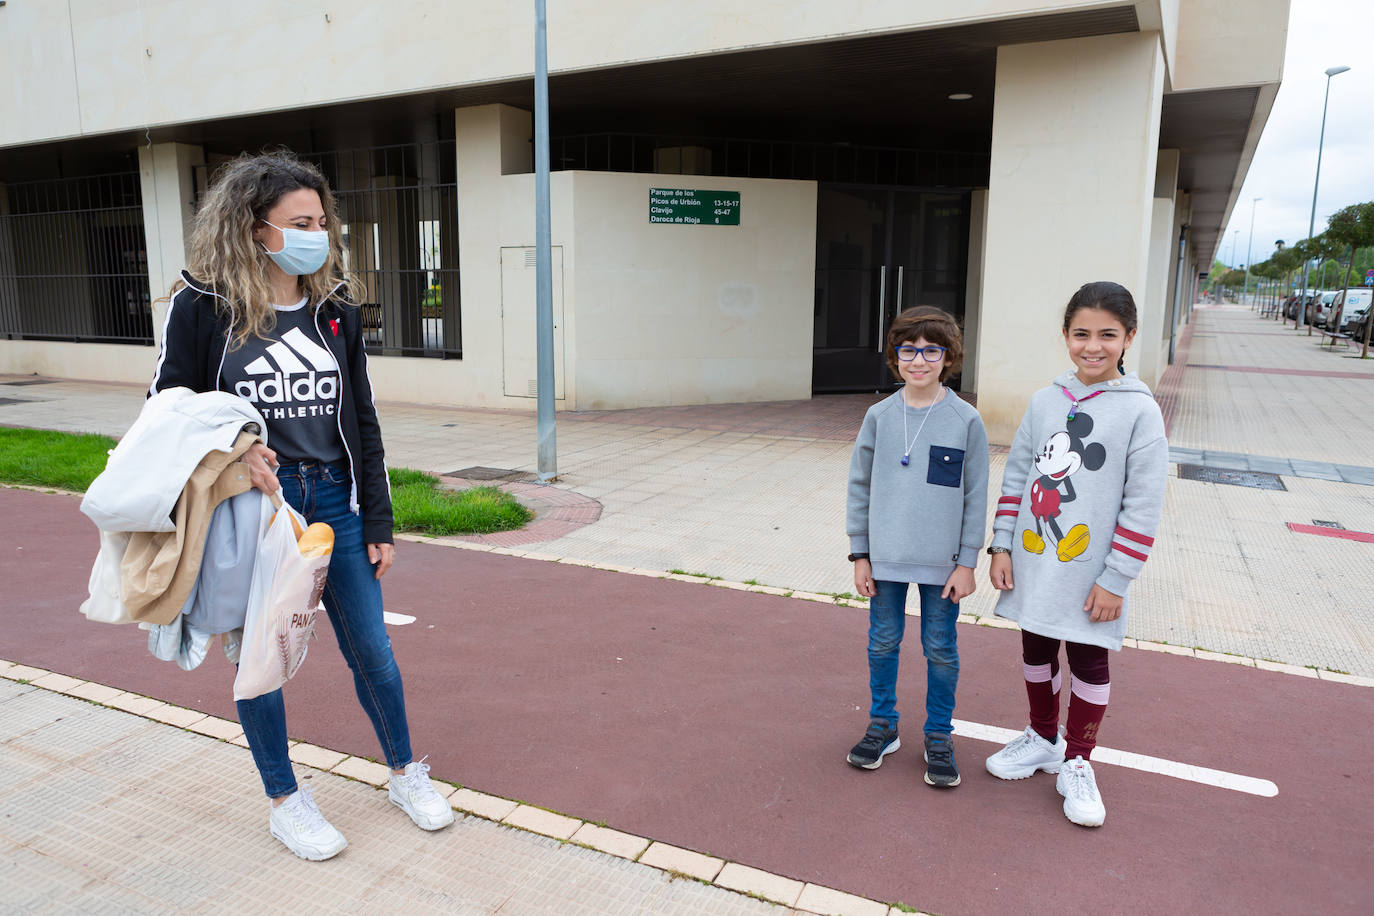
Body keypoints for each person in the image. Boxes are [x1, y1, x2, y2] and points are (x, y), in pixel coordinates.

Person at [150, 150, 453, 860]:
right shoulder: (203, 306)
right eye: (301, 221)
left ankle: (406, 773)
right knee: (260, 658)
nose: (319, 232)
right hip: (255, 512)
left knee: (372, 652)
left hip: (335, 505)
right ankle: (285, 800)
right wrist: (233, 451)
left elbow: (364, 419)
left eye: (322, 220)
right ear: (256, 228)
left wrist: (378, 518)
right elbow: (167, 408)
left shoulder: (334, 306)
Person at [983, 281, 1168, 827]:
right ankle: (1041, 736)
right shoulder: (1045, 401)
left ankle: (1078, 759)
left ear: (1129, 338)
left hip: (1094, 572)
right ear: (1065, 335)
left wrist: (1118, 578)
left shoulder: (1140, 412)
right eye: (1081, 333)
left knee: (1088, 658)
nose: (1093, 346)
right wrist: (1002, 544)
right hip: (1035, 558)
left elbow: (1144, 503)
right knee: (1035, 648)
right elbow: (1018, 474)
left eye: (1107, 335)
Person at [844, 306, 989, 788]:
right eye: (909, 350)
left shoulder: (966, 420)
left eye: (931, 350)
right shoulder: (879, 416)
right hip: (883, 559)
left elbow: (974, 495)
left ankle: (938, 733)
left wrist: (967, 562)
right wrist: (860, 552)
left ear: (948, 357)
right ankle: (883, 725)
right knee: (882, 643)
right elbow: (858, 486)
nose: (919, 360)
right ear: (896, 356)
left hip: (942, 563)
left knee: (940, 649)